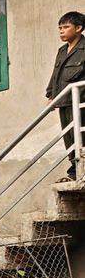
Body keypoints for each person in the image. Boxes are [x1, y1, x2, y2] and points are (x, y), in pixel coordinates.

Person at [46, 11, 85, 180]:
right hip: (64, 100)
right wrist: (50, 96)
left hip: (80, 99)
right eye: (60, 28)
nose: (62, 31)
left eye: (66, 27)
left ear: (79, 28)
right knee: (68, 136)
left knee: (82, 134)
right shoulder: (62, 51)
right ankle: (75, 168)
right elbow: (56, 74)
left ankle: (80, 169)